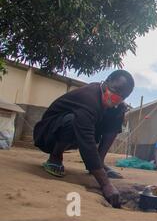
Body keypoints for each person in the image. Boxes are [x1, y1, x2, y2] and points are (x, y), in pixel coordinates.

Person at [33, 70, 134, 208]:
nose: (116, 97)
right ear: (108, 80)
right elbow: (86, 140)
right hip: (48, 134)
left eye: (122, 96)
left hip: (77, 133)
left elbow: (98, 131)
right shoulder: (89, 97)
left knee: (118, 112)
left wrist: (97, 165)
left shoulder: (114, 105)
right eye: (116, 90)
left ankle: (100, 161)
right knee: (72, 120)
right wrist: (106, 184)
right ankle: (55, 157)